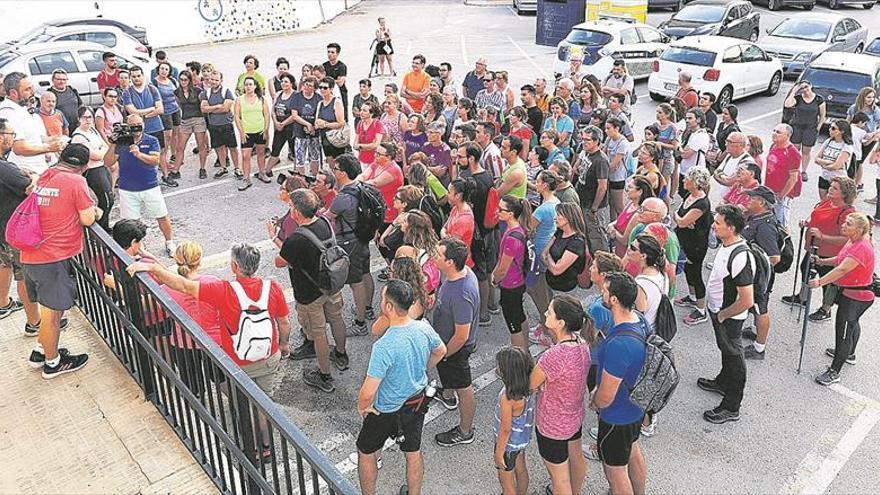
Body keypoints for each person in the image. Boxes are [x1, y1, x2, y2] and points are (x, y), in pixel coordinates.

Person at [128, 241, 290, 454]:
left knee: (242, 404)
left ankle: (249, 449)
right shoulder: (273, 287)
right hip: (268, 357)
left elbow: (183, 286)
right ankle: (267, 446)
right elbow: (284, 322)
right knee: (263, 404)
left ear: (234, 266)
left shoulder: (223, 290)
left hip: (237, 361)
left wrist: (154, 268)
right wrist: (284, 345)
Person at [356, 280, 445, 495]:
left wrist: (362, 406)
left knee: (365, 451)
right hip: (416, 402)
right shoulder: (423, 327)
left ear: (388, 308)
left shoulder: (384, 346)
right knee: (412, 452)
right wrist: (422, 368)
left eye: (382, 298)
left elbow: (368, 391)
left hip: (386, 408)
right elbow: (440, 350)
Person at [21, 144, 100, 377]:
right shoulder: (76, 181)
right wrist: (96, 212)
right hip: (52, 257)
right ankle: (53, 362)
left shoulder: (47, 174)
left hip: (31, 253)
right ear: (84, 167)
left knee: (48, 310)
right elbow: (87, 218)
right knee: (53, 313)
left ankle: (40, 350)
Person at [278, 189, 348, 392]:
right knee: (337, 319)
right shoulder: (324, 222)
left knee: (318, 334)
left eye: (291, 206)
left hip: (309, 294)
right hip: (331, 285)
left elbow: (280, 261)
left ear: (298, 211)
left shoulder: (296, 239)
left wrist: (275, 238)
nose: (289, 209)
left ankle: (324, 376)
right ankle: (341, 355)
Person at [588, 272, 648, 495]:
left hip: (616, 415)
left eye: (605, 290)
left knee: (615, 473)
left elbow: (605, 396)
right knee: (633, 450)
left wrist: (594, 401)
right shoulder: (640, 320)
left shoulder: (618, 345)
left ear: (614, 299)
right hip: (636, 407)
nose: (601, 292)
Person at [529, 294, 590, 495]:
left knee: (559, 479)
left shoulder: (555, 356)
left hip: (553, 425)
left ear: (560, 322)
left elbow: (532, 383)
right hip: (573, 416)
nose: (545, 313)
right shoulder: (582, 342)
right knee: (576, 459)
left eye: (550, 312)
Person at [699, 204, 754, 424]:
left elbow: (746, 300)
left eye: (718, 223)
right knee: (726, 350)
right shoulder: (727, 244)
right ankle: (723, 382)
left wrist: (723, 315)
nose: (714, 225)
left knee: (734, 357)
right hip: (719, 311)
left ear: (730, 228)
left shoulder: (740, 256)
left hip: (729, 316)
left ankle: (732, 406)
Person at [808, 212, 875, 385]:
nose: (844, 225)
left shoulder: (862, 247)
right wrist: (822, 262)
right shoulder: (853, 240)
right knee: (852, 324)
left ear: (860, 229)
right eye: (845, 222)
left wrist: (819, 282)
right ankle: (849, 354)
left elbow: (842, 270)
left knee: (843, 333)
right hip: (853, 293)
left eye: (849, 224)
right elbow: (840, 259)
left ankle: (834, 372)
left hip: (856, 297)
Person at [783, 177, 857, 320]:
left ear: (844, 194)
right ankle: (803, 298)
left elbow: (847, 239)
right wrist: (808, 222)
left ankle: (826, 309)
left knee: (828, 281)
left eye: (835, 188)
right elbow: (816, 215)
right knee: (805, 269)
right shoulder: (828, 201)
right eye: (831, 186)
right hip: (814, 247)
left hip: (830, 253)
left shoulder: (847, 213)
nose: (830, 189)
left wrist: (822, 236)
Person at [432, 237, 480, 447]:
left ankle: (465, 431)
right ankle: (448, 394)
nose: (434, 256)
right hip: (447, 341)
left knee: (464, 386)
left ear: (450, 262)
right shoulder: (457, 274)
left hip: (455, 348)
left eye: (438, 254)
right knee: (451, 377)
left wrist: (443, 353)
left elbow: (461, 335)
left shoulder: (462, 293)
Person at [105, 114, 176, 256]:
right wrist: (113, 143)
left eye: (139, 124)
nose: (136, 128)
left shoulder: (151, 140)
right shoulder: (122, 142)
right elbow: (108, 162)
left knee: (162, 215)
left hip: (150, 186)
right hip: (127, 189)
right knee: (131, 222)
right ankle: (137, 249)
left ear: (143, 124)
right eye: (133, 125)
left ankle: (169, 242)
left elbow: (156, 160)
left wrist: (139, 155)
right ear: (127, 126)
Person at [0, 118, 40, 329]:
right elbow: (30, 187)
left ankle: (3, 304)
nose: (12, 139)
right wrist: (33, 176)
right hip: (13, 230)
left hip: (3, 230)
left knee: (6, 264)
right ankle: (34, 322)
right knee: (23, 276)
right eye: (11, 134)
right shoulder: (4, 167)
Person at [740, 186, 782, 360]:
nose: (749, 200)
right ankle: (756, 332)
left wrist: (755, 268)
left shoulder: (765, 226)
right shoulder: (757, 217)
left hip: (760, 277)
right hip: (754, 273)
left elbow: (774, 257)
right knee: (754, 307)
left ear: (761, 203)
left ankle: (759, 348)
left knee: (760, 308)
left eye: (752, 198)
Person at [0, 72, 65, 175]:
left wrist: (51, 140)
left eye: (32, 87)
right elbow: (19, 148)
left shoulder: (21, 108)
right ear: (13, 93)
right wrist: (49, 148)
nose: (32, 92)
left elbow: (30, 137)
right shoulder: (9, 112)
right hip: (27, 172)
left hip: (40, 168)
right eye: (27, 89)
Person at [122, 66, 176, 187]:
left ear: (143, 76)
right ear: (131, 78)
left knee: (161, 152)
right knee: (139, 154)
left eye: (138, 76)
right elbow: (131, 111)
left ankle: (165, 176)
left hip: (156, 127)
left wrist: (142, 115)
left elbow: (160, 109)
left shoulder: (152, 89)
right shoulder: (127, 93)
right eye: (134, 76)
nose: (136, 78)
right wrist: (151, 109)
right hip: (138, 131)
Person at [492, 196, 532, 351]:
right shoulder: (517, 228)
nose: (498, 211)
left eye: (501, 209)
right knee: (520, 316)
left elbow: (503, 268)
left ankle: (519, 354)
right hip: (519, 281)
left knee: (513, 324)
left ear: (511, 213)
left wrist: (495, 278)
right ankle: (525, 347)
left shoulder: (511, 238)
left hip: (511, 285)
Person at [493, 346, 535, 495]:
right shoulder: (528, 389)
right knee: (521, 470)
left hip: (508, 445)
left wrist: (499, 452)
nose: (497, 368)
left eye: (500, 366)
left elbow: (505, 429)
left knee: (506, 480)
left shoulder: (507, 398)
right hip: (520, 440)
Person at [674, 166, 713, 325]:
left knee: (695, 274)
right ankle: (692, 297)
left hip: (696, 245)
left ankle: (702, 310)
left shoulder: (702, 203)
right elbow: (681, 216)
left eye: (687, 179)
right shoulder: (690, 195)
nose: (684, 180)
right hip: (686, 240)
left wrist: (679, 218)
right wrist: (681, 219)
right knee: (689, 271)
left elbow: (682, 220)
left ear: (696, 183)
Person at [70, 107, 112, 231]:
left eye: (90, 117)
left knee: (109, 198)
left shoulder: (92, 131)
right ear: (79, 119)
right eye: (85, 117)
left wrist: (101, 150)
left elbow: (105, 146)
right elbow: (95, 155)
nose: (88, 120)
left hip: (101, 166)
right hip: (92, 171)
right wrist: (101, 151)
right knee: (106, 199)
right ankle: (100, 227)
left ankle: (105, 225)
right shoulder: (78, 136)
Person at [575, 125, 610, 254]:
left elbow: (602, 186)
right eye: (583, 139)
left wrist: (594, 208)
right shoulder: (586, 153)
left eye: (587, 140)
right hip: (583, 201)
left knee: (597, 238)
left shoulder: (600, 160)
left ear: (596, 142)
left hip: (594, 207)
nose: (584, 142)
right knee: (587, 236)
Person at [233, 76, 270, 190]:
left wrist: (266, 129)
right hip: (247, 133)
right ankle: (246, 178)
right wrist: (241, 132)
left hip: (260, 131)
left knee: (261, 153)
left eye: (250, 84)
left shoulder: (262, 99)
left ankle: (262, 173)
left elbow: (266, 115)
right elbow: (237, 117)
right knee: (245, 156)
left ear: (255, 86)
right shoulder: (239, 100)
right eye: (246, 84)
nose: (248, 86)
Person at [784, 81, 825, 182]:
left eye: (806, 87)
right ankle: (793, 169)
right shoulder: (798, 98)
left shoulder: (819, 99)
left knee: (806, 151)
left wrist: (818, 128)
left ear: (811, 86)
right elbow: (787, 104)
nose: (805, 90)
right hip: (797, 126)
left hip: (810, 128)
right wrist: (794, 90)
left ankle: (803, 171)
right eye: (802, 88)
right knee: (795, 150)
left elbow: (822, 115)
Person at [764, 123, 802, 229]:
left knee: (781, 224)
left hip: (782, 193)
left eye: (778, 132)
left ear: (787, 136)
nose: (774, 134)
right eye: (774, 131)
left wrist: (781, 195)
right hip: (769, 190)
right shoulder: (773, 146)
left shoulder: (792, 153)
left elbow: (793, 178)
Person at [173, 70, 208, 179]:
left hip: (198, 118)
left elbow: (203, 104)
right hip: (185, 120)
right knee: (180, 147)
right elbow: (180, 105)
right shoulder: (177, 92)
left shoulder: (198, 91)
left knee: (201, 145)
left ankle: (202, 168)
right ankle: (176, 170)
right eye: (181, 79)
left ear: (189, 80)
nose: (183, 82)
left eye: (185, 80)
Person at [609, 176, 653, 257]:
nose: (626, 190)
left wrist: (613, 231)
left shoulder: (638, 214)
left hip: (626, 254)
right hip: (618, 249)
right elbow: (620, 220)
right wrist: (612, 224)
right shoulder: (631, 204)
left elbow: (625, 240)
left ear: (640, 192)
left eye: (630, 187)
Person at [154, 62, 181, 179]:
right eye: (162, 68)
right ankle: (163, 157)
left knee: (176, 133)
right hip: (164, 112)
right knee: (167, 135)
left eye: (166, 69)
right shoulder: (155, 83)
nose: (164, 71)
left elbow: (178, 94)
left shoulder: (173, 81)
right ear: (158, 70)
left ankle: (173, 155)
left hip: (175, 109)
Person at [814, 119, 853, 201]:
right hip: (824, 176)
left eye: (833, 128)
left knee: (834, 203)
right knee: (823, 202)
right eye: (830, 127)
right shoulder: (828, 141)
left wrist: (824, 165)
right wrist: (828, 162)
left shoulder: (846, 146)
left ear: (841, 131)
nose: (830, 130)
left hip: (838, 180)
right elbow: (817, 159)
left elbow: (836, 166)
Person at [291, 76, 322, 175]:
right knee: (300, 157)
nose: (307, 87)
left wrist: (313, 126)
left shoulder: (318, 98)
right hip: (300, 132)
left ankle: (314, 177)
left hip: (314, 132)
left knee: (314, 156)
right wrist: (307, 124)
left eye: (310, 86)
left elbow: (320, 114)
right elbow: (294, 115)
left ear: (315, 88)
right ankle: (301, 178)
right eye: (306, 84)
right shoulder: (296, 96)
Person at [712, 131, 756, 200]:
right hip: (723, 196)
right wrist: (723, 176)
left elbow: (729, 182)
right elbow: (716, 172)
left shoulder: (746, 162)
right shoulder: (729, 155)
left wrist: (720, 176)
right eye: (726, 141)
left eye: (729, 142)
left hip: (733, 200)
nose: (726, 144)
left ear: (741, 145)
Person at [679, 110, 710, 198]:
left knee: (690, 196)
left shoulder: (700, 136)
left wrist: (680, 149)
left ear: (699, 120)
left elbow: (685, 154)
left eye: (690, 118)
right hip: (685, 171)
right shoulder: (691, 133)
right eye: (686, 118)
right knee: (683, 195)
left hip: (694, 174)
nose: (687, 120)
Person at [604, 117, 631, 221]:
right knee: (611, 204)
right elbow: (603, 152)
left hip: (618, 178)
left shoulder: (623, 143)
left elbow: (614, 164)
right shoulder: (609, 139)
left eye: (608, 128)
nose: (606, 131)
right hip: (609, 177)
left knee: (619, 206)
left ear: (616, 128)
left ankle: (624, 226)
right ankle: (613, 225)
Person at [316, 76, 347, 160]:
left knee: (338, 161)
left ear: (331, 89)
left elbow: (341, 123)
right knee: (329, 159)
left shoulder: (336, 102)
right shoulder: (320, 103)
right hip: (324, 137)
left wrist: (325, 124)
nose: (322, 90)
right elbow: (317, 121)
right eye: (320, 87)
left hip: (335, 137)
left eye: (325, 88)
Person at [323, 43, 349, 121]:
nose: (329, 54)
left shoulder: (342, 66)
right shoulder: (324, 66)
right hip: (327, 93)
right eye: (328, 52)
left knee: (343, 115)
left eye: (332, 52)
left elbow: (341, 83)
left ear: (337, 53)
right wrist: (335, 80)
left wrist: (329, 80)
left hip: (341, 93)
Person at [354, 101, 384, 166]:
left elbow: (375, 145)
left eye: (364, 111)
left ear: (371, 114)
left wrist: (360, 146)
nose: (361, 112)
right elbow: (355, 145)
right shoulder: (360, 123)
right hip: (362, 159)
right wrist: (368, 146)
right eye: (361, 110)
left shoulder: (377, 124)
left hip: (375, 160)